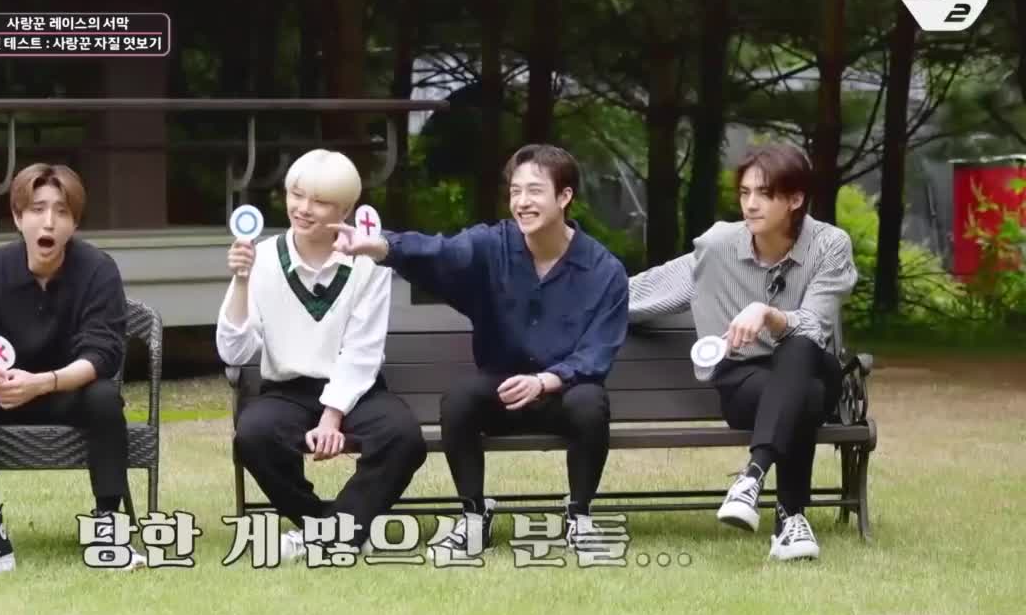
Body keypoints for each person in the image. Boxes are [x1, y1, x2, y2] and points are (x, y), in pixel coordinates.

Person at [333, 144, 630, 557]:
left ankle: (579, 515)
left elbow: (598, 351)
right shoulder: (493, 245)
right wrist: (381, 246)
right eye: (515, 191)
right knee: (459, 399)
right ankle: (474, 516)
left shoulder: (604, 271)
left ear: (564, 196)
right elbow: (442, 252)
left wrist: (546, 380)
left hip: (562, 391)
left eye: (535, 191)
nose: (522, 202)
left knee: (590, 402)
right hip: (501, 388)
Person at [628, 143, 858, 561]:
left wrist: (768, 314)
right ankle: (790, 521)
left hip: (812, 364)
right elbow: (647, 291)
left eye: (764, 194)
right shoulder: (719, 246)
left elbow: (815, 326)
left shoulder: (829, 245)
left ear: (795, 199)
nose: (750, 205)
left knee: (800, 350)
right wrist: (571, 307)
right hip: (744, 381)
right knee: (801, 398)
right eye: (745, 193)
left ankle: (752, 476)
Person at [218, 149, 426, 561]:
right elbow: (234, 350)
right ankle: (335, 529)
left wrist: (332, 416)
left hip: (357, 392)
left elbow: (362, 350)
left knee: (403, 437)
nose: (302, 209)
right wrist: (241, 281)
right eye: (296, 195)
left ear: (345, 210)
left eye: (320, 201)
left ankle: (325, 536)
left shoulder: (370, 262)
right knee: (255, 435)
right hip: (287, 390)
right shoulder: (263, 257)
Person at [0, 163, 141, 579]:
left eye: (62, 212)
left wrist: (43, 383)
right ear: (18, 218)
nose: (49, 222)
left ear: (74, 224)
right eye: (37, 209)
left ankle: (107, 525)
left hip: (66, 390)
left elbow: (103, 353)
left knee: (105, 396)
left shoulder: (98, 269)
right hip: (5, 393)